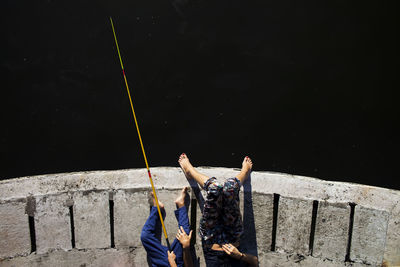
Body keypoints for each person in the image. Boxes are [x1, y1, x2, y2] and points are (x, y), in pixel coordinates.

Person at [179, 153, 258, 267]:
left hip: (210, 238)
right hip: (233, 236)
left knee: (215, 188)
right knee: (230, 188)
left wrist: (186, 248)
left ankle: (189, 170)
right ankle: (245, 172)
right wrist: (240, 255)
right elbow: (254, 262)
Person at [141, 187, 193, 267]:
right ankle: (181, 204)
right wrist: (186, 247)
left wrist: (171, 261)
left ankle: (156, 208)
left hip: (161, 262)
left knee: (145, 236)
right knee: (184, 234)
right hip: (176, 262)